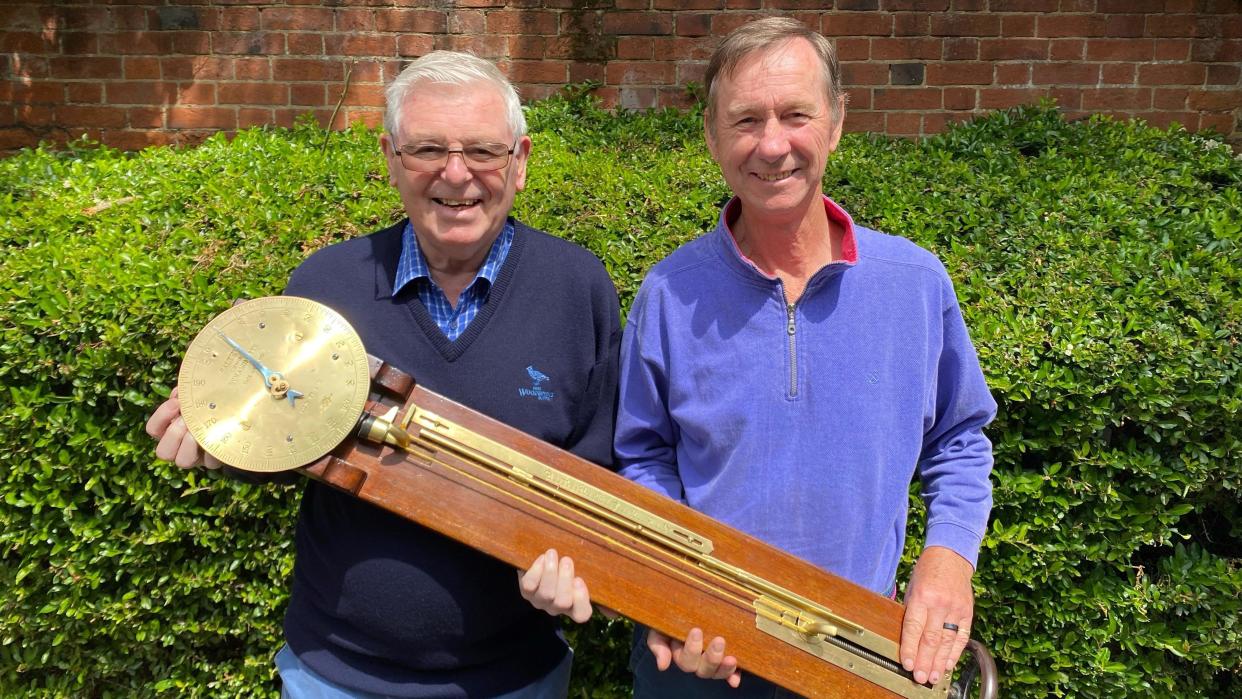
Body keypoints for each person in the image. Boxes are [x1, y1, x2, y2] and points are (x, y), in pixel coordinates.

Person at [146, 50, 617, 698]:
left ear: (521, 161)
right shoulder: (324, 287)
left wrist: (579, 564)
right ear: (392, 159)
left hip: (517, 677)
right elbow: (291, 439)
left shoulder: (577, 288)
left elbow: (601, 476)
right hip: (336, 675)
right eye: (428, 149)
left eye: (483, 150)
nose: (457, 174)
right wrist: (227, 438)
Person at [611, 17, 997, 697]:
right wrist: (675, 587)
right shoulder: (669, 293)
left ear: (837, 122)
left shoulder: (914, 283)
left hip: (863, 652)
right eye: (746, 119)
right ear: (711, 135)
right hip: (702, 658)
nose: (772, 144)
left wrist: (948, 557)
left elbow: (959, 439)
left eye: (796, 115)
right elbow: (643, 456)